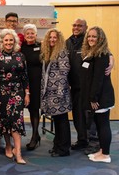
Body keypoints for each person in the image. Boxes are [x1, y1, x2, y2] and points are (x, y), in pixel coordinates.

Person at [66, 18, 114, 152]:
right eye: (74, 25)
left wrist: (112, 59)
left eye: (80, 26)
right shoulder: (68, 42)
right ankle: (82, 139)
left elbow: (106, 53)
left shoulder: (92, 43)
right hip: (75, 86)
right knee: (78, 116)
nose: (76, 27)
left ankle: (94, 143)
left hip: (89, 88)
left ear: (85, 27)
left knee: (91, 117)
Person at [0, 29, 29, 164]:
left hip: (17, 92)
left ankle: (18, 152)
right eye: (6, 40)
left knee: (16, 120)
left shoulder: (21, 56)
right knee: (5, 120)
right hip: (1, 93)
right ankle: (8, 145)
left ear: (15, 42)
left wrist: (27, 93)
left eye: (11, 40)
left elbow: (25, 77)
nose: (8, 42)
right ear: (2, 42)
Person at [0, 12, 25, 148]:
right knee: (2, 116)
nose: (12, 23)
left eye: (15, 21)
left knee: (15, 117)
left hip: (17, 83)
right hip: (1, 83)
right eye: (10, 21)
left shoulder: (21, 37)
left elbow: (31, 41)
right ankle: (5, 141)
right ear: (5, 22)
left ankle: (17, 146)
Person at [80, 26, 114, 163]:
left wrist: (93, 98)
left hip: (101, 97)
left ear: (100, 39)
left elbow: (98, 79)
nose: (91, 39)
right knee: (99, 124)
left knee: (103, 124)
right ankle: (102, 150)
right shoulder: (93, 52)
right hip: (97, 96)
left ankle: (105, 155)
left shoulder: (101, 54)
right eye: (89, 36)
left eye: (94, 36)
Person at [40, 28, 72, 157]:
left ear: (59, 40)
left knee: (62, 121)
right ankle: (57, 145)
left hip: (59, 93)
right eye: (50, 37)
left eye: (55, 38)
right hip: (50, 94)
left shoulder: (62, 52)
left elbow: (64, 73)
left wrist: (60, 93)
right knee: (57, 121)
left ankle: (64, 149)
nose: (52, 39)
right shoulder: (48, 53)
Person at [21, 24, 42, 150]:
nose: (30, 35)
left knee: (34, 109)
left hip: (37, 82)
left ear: (36, 34)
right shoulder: (20, 48)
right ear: (24, 35)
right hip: (24, 82)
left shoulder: (41, 47)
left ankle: (34, 136)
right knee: (29, 108)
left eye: (32, 33)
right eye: (27, 33)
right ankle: (36, 134)